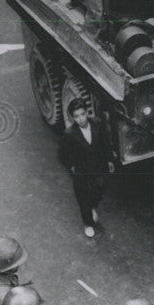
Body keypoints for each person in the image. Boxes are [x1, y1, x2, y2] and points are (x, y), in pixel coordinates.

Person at [59, 98, 115, 238]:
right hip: (82, 172)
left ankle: (92, 206)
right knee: (83, 199)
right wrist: (72, 167)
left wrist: (109, 160)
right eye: (76, 116)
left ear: (87, 112)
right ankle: (88, 223)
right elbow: (63, 155)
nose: (81, 119)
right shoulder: (69, 134)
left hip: (98, 167)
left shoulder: (97, 123)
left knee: (99, 190)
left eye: (82, 114)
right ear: (72, 118)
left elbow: (105, 143)